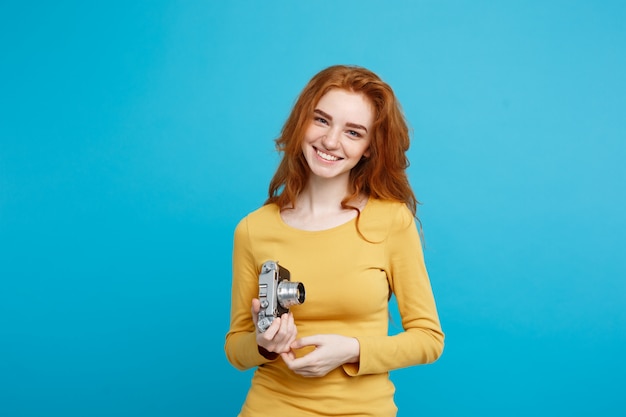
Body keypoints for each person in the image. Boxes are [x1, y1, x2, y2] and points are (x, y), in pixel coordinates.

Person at [224, 64, 444, 417]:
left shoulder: (390, 221)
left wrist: (353, 350)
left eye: (353, 132)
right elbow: (236, 348)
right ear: (301, 122)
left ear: (370, 147)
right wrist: (264, 344)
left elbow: (429, 339)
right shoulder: (253, 229)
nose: (330, 142)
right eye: (322, 120)